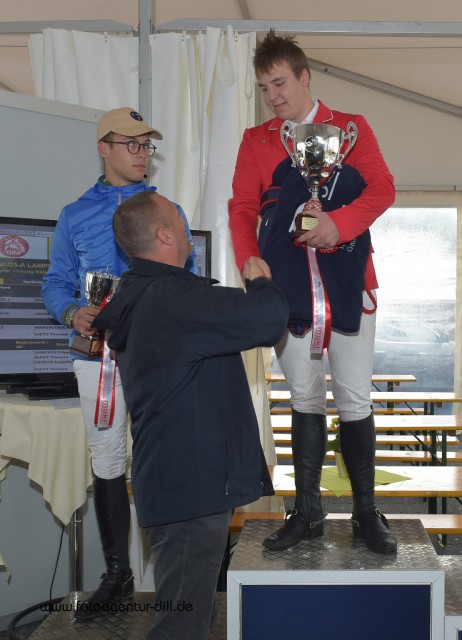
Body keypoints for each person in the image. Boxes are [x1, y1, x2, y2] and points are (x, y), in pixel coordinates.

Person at [228, 31, 397, 554]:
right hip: (287, 290)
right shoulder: (257, 140)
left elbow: (382, 190)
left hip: (348, 286)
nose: (273, 95)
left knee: (354, 398)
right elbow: (241, 207)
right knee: (303, 397)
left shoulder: (351, 129)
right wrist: (246, 259)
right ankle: (307, 512)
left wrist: (339, 225)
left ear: (305, 76)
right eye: (263, 87)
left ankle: (366, 513)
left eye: (280, 82)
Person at [92, 190, 289, 639]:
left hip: (178, 484)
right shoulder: (172, 300)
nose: (185, 227)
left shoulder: (145, 295)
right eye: (178, 221)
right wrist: (260, 280)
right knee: (180, 626)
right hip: (189, 492)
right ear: (164, 235)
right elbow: (267, 320)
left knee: (190, 617)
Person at [42, 107, 199, 621]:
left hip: (157, 355)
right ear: (103, 148)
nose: (140, 154)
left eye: (146, 145)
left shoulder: (166, 207)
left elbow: (190, 275)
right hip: (98, 356)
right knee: (106, 462)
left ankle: (174, 578)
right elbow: (55, 283)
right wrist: (72, 310)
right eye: (130, 144)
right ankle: (118, 575)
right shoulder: (73, 214)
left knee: (162, 458)